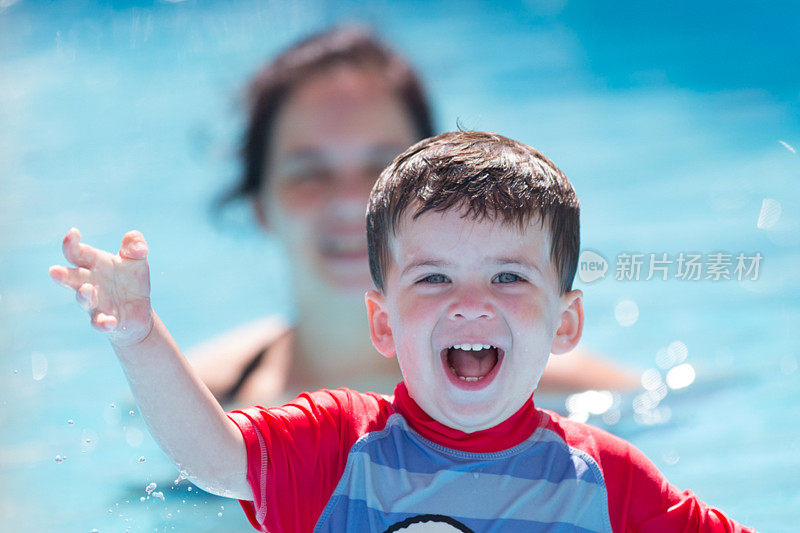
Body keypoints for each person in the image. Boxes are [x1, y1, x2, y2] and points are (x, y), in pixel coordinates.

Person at [49, 131, 752, 531]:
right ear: (382, 322)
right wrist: (139, 336)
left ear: (565, 321)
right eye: (434, 278)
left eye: (508, 277)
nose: (470, 303)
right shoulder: (338, 446)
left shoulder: (608, 482)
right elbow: (213, 459)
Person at [191, 25, 637, 407]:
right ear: (260, 206)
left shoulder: (575, 398)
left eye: (380, 167)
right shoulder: (201, 403)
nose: (350, 200)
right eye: (310, 173)